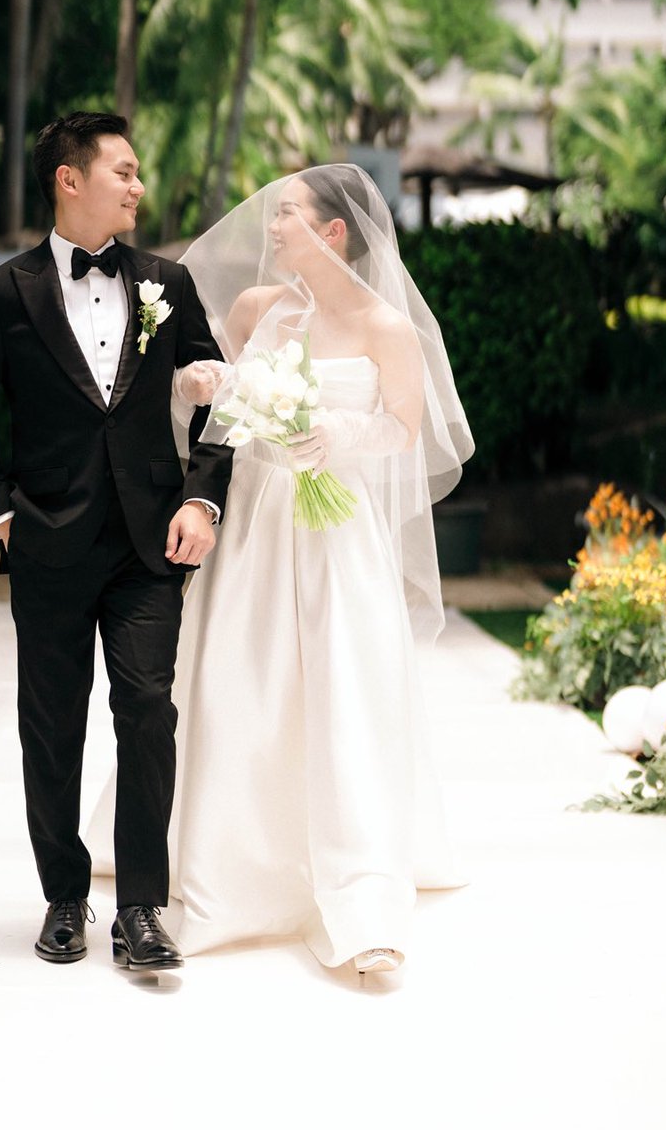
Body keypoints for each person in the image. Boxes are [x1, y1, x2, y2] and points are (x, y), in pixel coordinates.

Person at [126, 163, 474, 973]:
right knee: (243, 684)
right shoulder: (257, 309)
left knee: (345, 690)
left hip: (337, 526)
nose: (271, 226)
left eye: (286, 213)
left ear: (333, 232)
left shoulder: (388, 328)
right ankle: (232, 869)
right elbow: (223, 409)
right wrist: (201, 381)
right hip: (256, 524)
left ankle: (362, 892)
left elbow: (403, 430)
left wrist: (337, 437)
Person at [0, 111, 232, 970]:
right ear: (70, 180)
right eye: (124, 172)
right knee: (51, 725)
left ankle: (141, 907)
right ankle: (65, 896)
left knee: (146, 710)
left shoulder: (169, 283)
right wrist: (1, 515)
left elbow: (221, 399)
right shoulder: (1, 295)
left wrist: (202, 500)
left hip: (150, 546)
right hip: (47, 544)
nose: (139, 186)